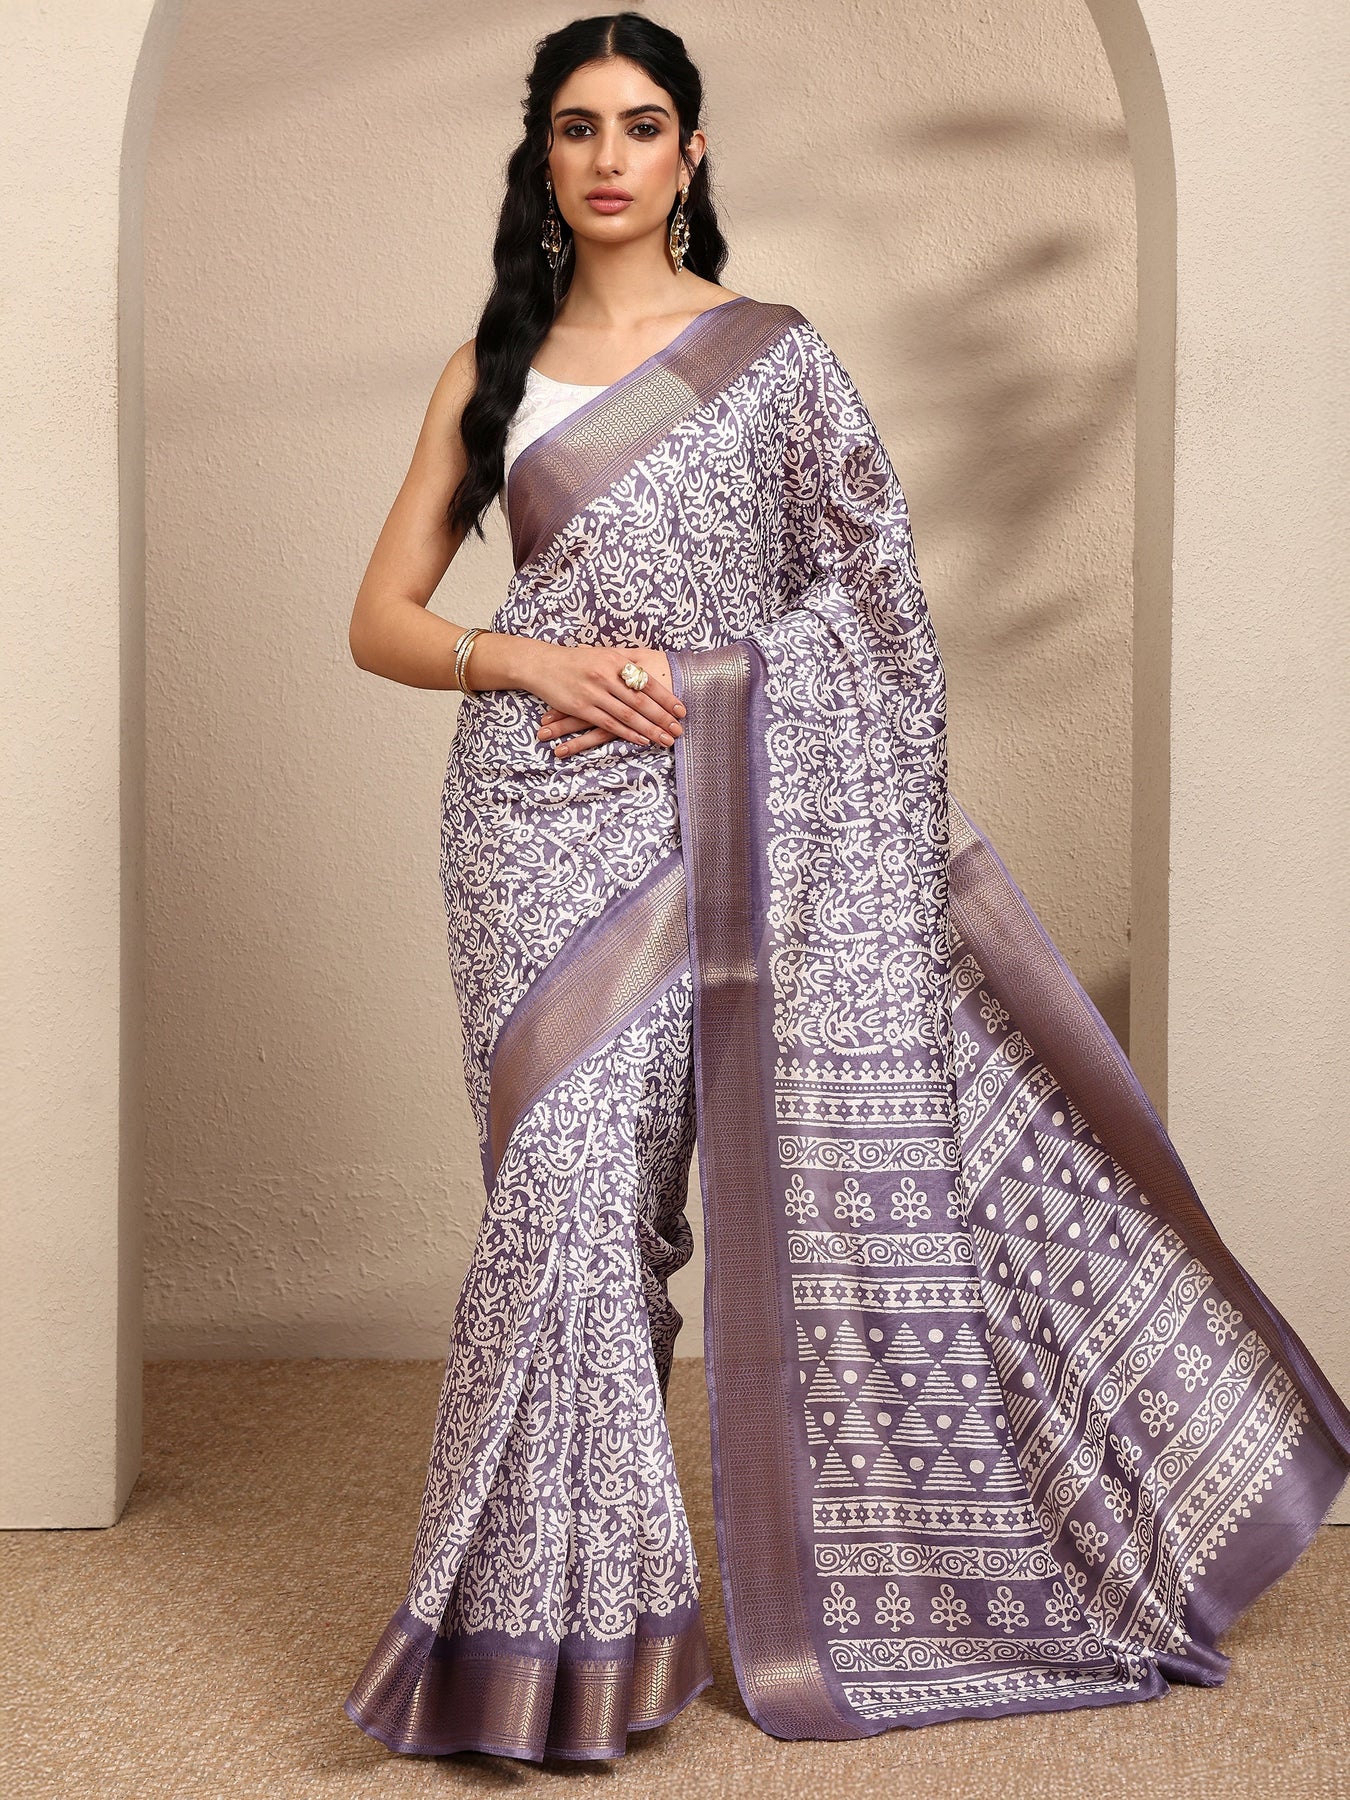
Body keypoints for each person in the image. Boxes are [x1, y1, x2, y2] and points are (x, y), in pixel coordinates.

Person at [341, 12, 1350, 1766]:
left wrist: (706, 686)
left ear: (690, 154)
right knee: (561, 1203)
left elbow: (874, 608)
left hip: (730, 815)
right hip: (525, 822)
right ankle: (551, 1638)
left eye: (638, 126)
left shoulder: (773, 361)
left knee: (620, 1203)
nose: (605, 157)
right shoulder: (486, 370)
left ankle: (595, 1627)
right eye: (575, 127)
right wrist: (526, 659)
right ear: (541, 154)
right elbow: (379, 622)